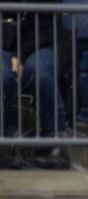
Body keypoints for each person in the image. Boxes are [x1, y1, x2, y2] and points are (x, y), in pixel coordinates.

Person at [0, 0, 71, 169]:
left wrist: (20, 55)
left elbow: (47, 30)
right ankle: (9, 140)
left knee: (38, 70)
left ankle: (55, 142)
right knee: (2, 74)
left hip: (43, 44)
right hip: (5, 49)